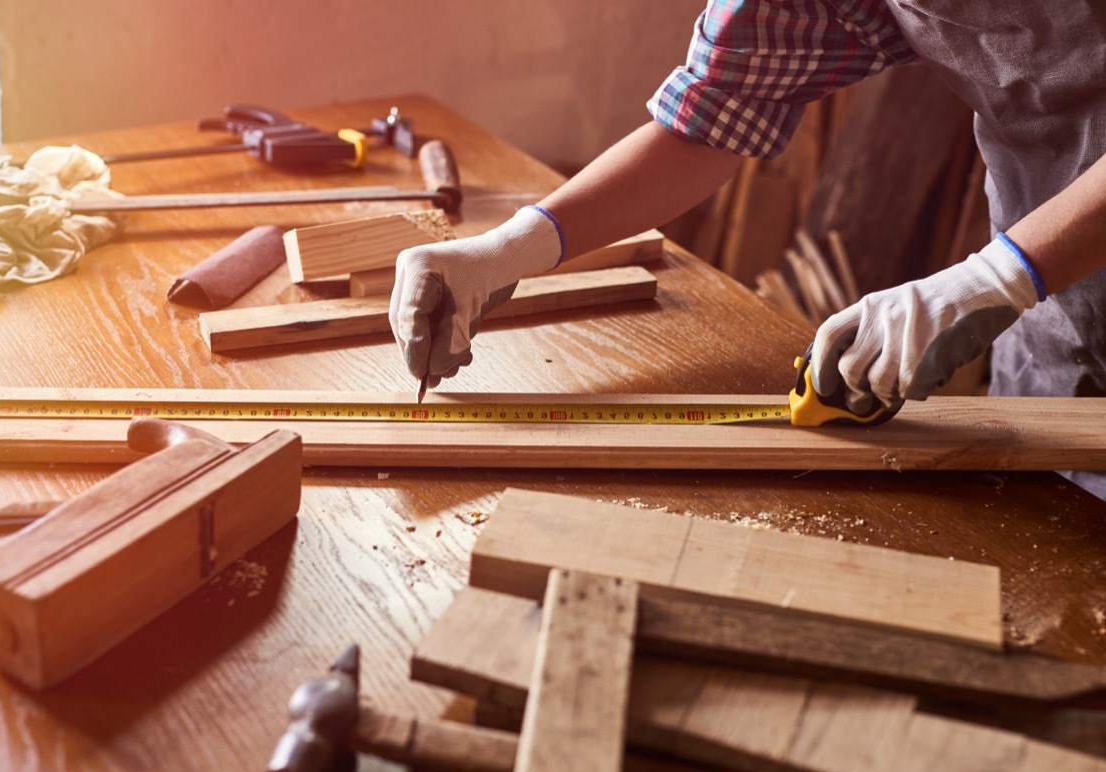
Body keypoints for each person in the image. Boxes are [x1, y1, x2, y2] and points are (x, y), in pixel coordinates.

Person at [389, 1, 1105, 499]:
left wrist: (997, 276)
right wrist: (509, 247)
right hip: (1053, 302)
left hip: (1031, 265)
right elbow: (714, 114)